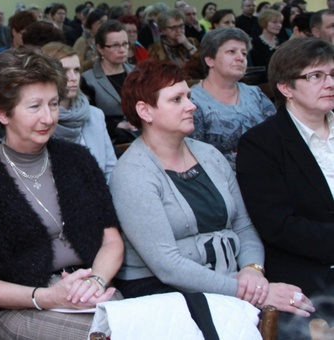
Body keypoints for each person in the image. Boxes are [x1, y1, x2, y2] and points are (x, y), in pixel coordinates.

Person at [109, 60, 312, 320]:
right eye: (177, 100)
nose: (192, 106)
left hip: (231, 277)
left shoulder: (209, 155)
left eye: (189, 97)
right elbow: (167, 266)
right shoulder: (133, 173)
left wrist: (253, 269)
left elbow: (244, 226)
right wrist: (247, 291)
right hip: (165, 291)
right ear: (145, 111)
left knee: (303, 313)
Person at [0, 47, 123, 338]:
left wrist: (95, 281)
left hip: (88, 289)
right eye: (34, 107)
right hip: (19, 306)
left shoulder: (77, 160)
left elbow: (111, 241)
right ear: (2, 112)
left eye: (53, 104)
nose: (48, 118)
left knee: (137, 328)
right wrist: (47, 297)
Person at [237, 38, 334, 333]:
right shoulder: (261, 143)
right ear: (286, 88)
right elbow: (278, 225)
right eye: (316, 76)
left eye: (333, 75)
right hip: (310, 273)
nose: (329, 83)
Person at [190, 28, 275, 171]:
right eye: (231, 52)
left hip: (265, 172)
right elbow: (193, 154)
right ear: (210, 60)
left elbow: (275, 134)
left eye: (244, 53)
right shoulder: (192, 101)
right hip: (220, 180)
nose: (240, 58)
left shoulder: (255, 93)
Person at [42, 42, 116, 180]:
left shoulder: (95, 115)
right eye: (64, 71)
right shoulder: (41, 120)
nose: (73, 77)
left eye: (76, 70)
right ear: (47, 75)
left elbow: (111, 169)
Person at [82, 20, 138, 143]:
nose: (122, 50)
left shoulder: (136, 72)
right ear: (100, 48)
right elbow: (88, 118)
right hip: (109, 139)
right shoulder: (87, 79)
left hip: (140, 135)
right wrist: (118, 125)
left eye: (125, 44)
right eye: (115, 45)